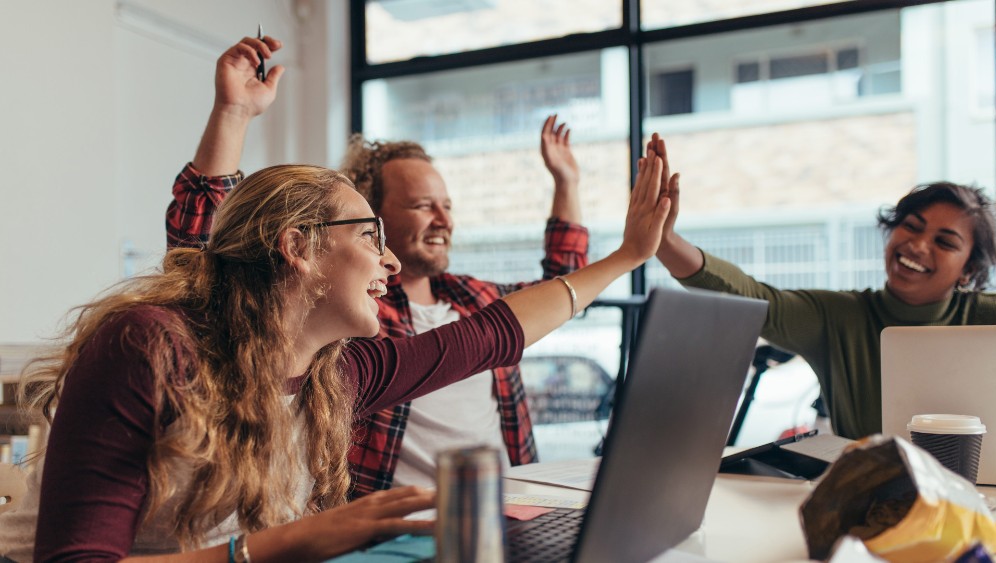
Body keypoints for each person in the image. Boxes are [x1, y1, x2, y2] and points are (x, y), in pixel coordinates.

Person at [0, 139, 670, 558]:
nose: (386, 259)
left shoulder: (334, 371)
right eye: (370, 234)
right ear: (298, 247)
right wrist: (279, 545)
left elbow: (494, 331)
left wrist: (629, 256)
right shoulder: (148, 347)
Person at [166, 37, 589, 496]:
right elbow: (210, 251)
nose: (444, 219)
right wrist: (233, 114)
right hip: (392, 528)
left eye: (447, 205)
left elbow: (560, 292)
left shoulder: (474, 298)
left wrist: (567, 183)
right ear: (375, 214)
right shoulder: (348, 313)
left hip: (500, 511)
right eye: (424, 205)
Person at [649, 133, 996, 440]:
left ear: (968, 270)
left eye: (945, 242)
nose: (919, 245)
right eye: (911, 225)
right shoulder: (838, 317)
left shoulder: (987, 318)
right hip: (870, 504)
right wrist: (664, 242)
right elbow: (751, 296)